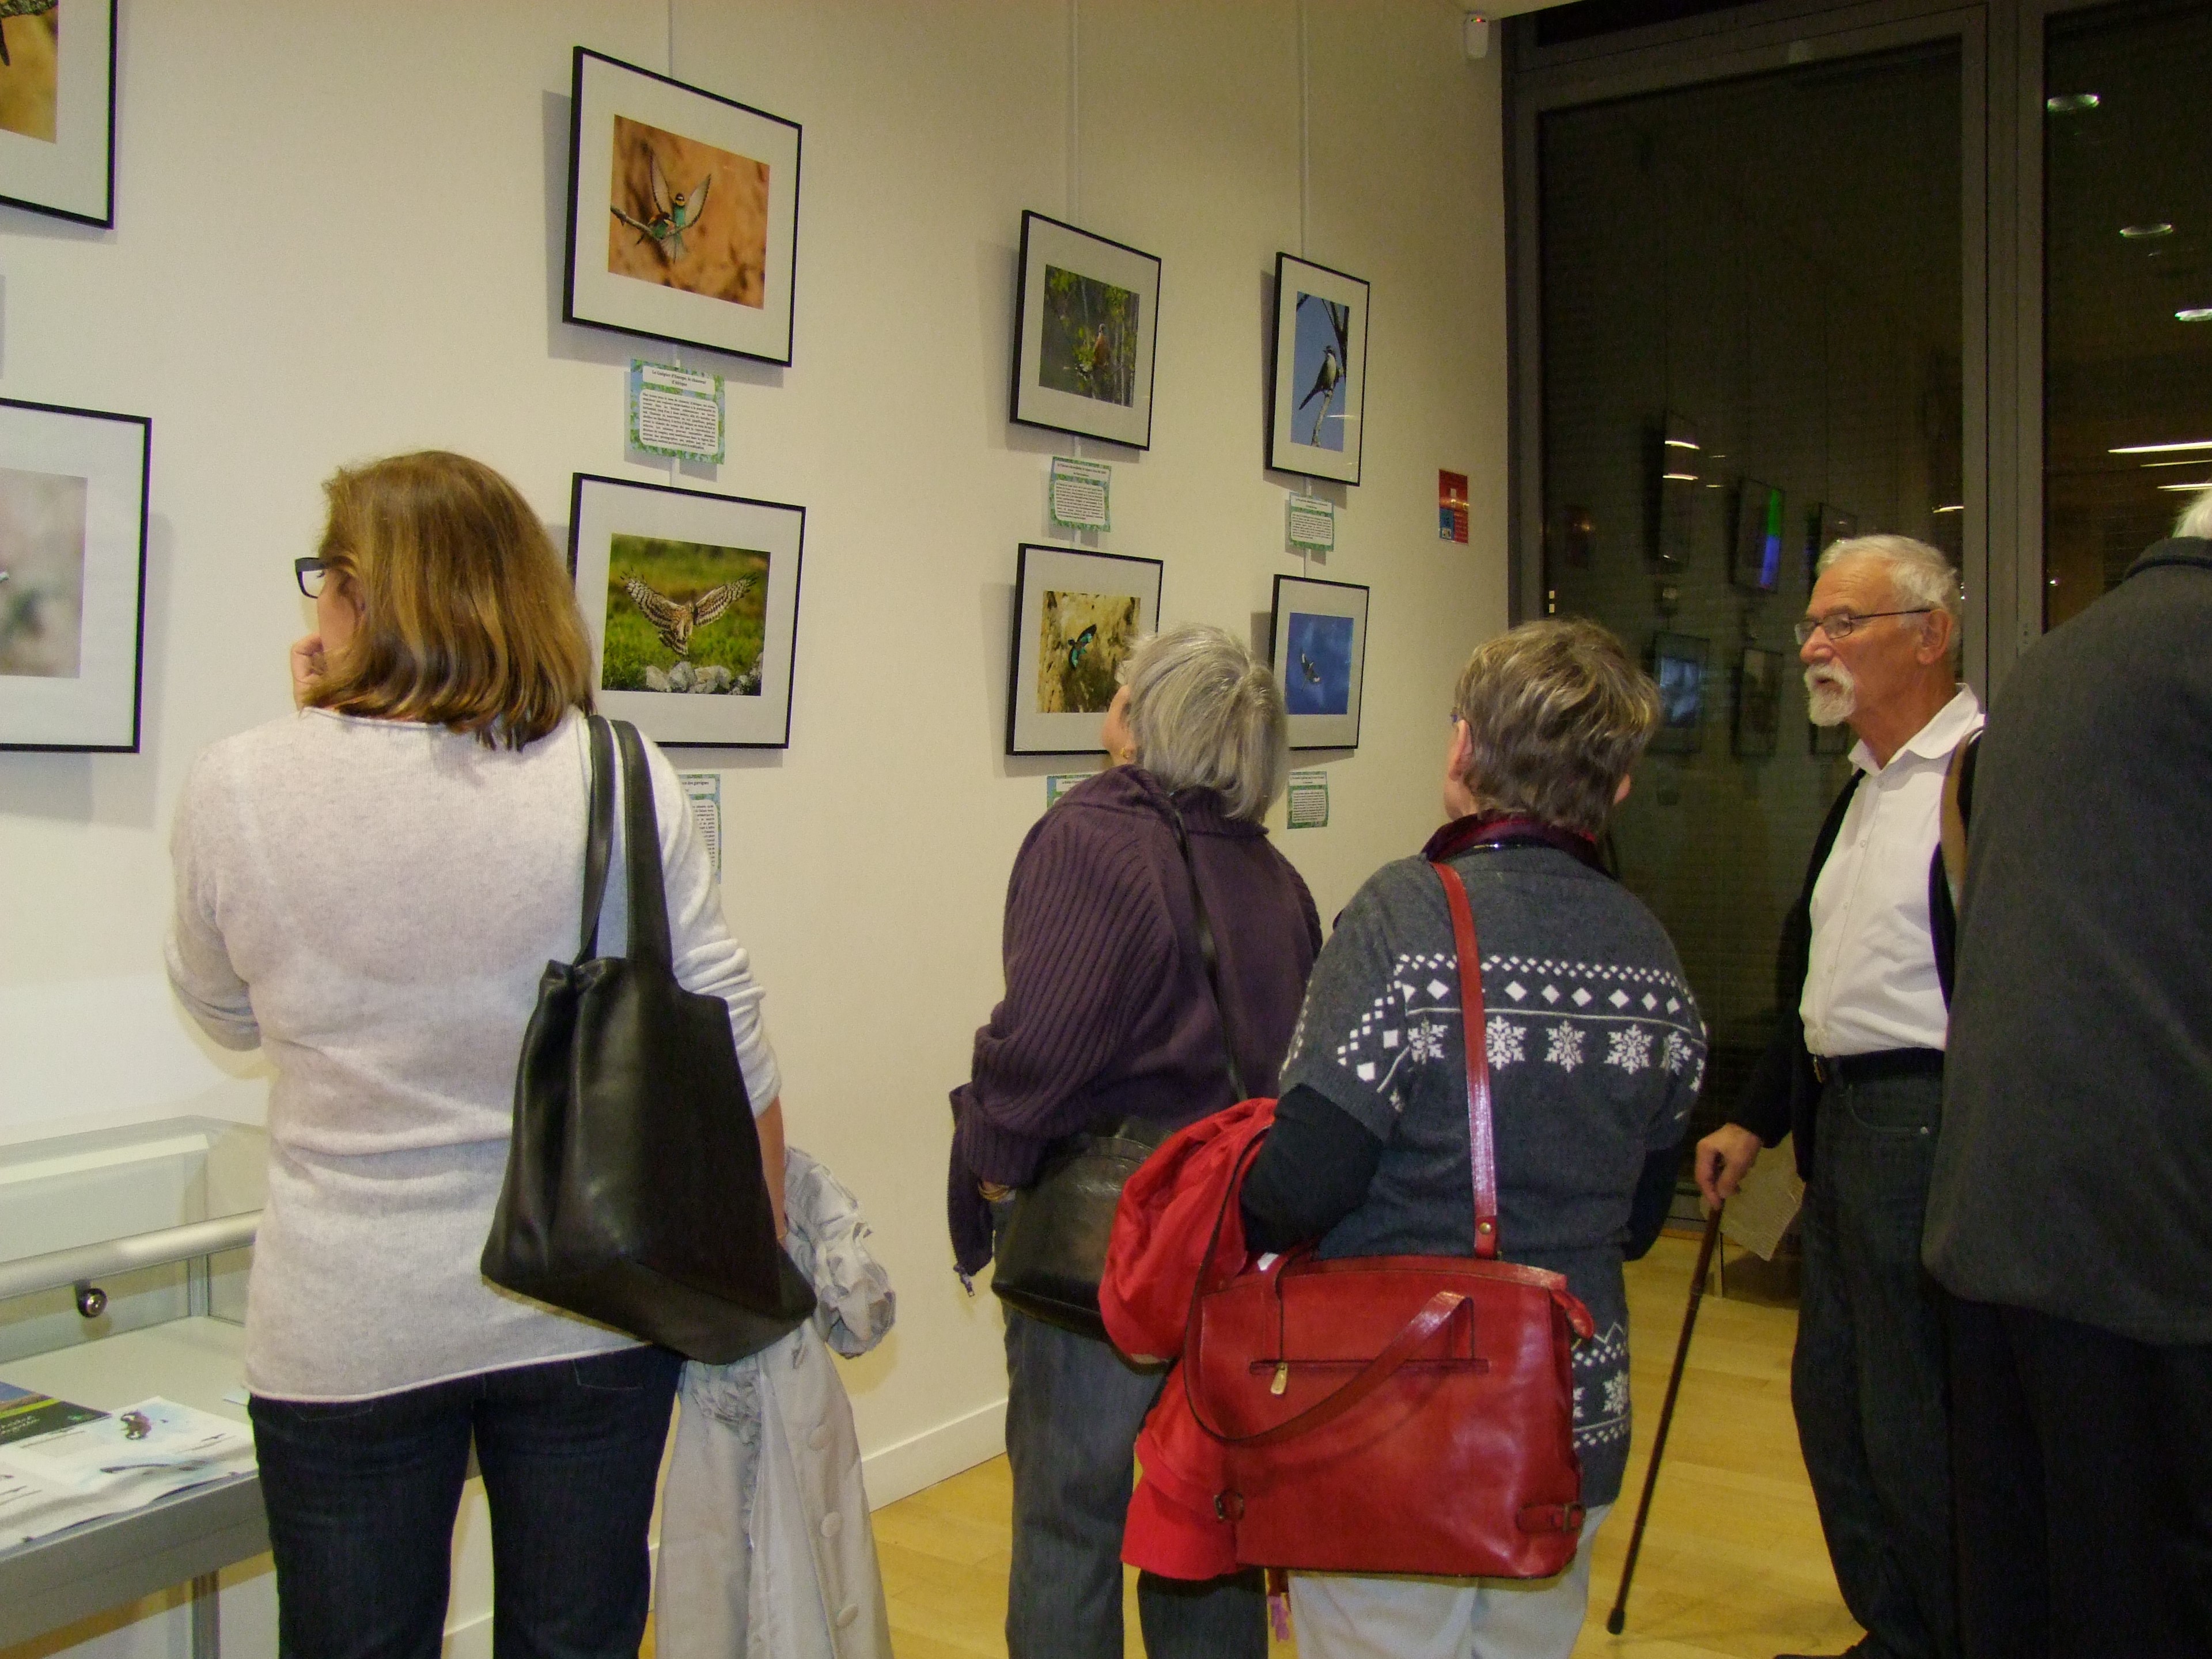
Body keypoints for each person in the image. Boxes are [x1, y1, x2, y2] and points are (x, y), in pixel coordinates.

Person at [166, 451, 787, 1659]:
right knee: (575, 1635)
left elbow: (225, 1010)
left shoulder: (238, 783)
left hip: (350, 1317)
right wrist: (754, 1239)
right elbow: (731, 1029)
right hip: (591, 1296)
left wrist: (311, 732)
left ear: (360, 593)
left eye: (322, 580)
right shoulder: (617, 771)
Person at [1238, 617, 1703, 1659]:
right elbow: (1634, 1223)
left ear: (1462, 753)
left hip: (1394, 1410)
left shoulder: (1406, 918)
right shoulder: (1653, 953)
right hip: (1565, 1420)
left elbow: (1299, 1188)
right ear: (1618, 786)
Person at [947, 623, 1321, 1659]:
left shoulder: (1094, 838)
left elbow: (1041, 1055)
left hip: (1112, 1254)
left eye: (1121, 688)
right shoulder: (1276, 877)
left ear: (1146, 720)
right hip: (1233, 1246)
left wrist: (989, 1169)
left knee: (1071, 1524)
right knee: (1205, 1531)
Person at [1922, 491, 2212, 1658]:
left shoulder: (2037, 677)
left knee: (2026, 1587)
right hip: (2163, 1248)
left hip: (1998, 1222)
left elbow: (1962, 930)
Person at [1695, 535, 1981, 1659]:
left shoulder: (1978, 777)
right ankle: (1894, 1625)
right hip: (1845, 1121)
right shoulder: (1861, 792)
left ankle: (1951, 1631)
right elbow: (1819, 985)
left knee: (1913, 1411)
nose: (1813, 645)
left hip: (1929, 1121)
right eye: (1811, 624)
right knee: (1837, 1402)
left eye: (1841, 624)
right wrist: (1753, 1119)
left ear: (1930, 636)